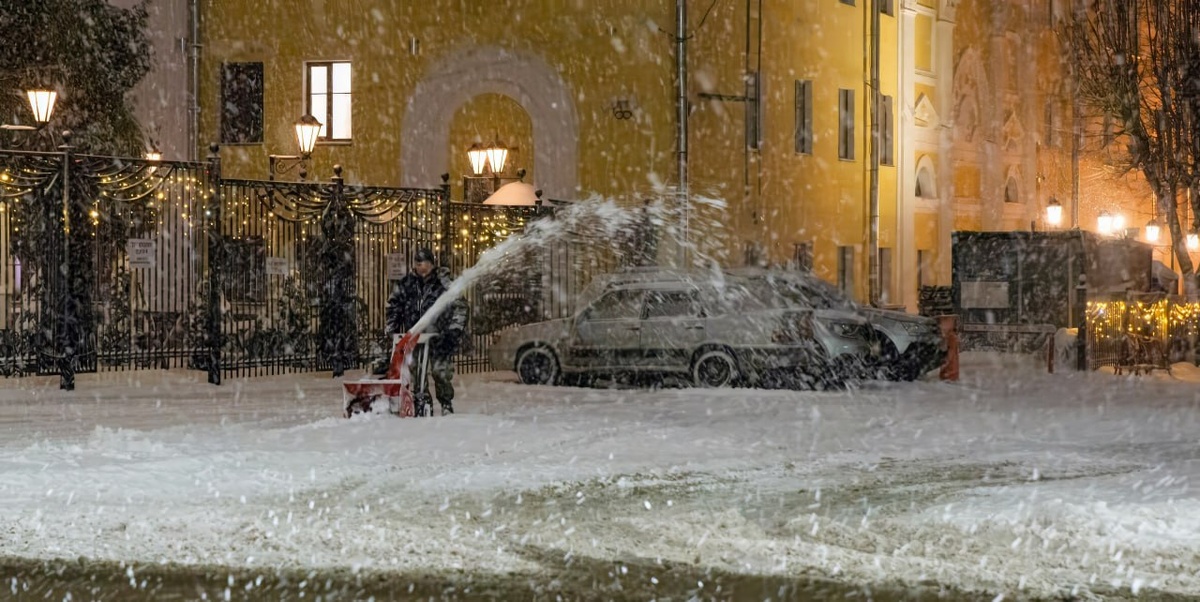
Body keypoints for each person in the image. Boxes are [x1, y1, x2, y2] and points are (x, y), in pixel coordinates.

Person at [385, 247, 468, 416]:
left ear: (432, 264)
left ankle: (445, 402)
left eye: (425, 264)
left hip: (440, 336)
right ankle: (422, 400)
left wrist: (454, 331)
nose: (421, 268)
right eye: (418, 264)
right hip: (415, 337)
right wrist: (392, 327)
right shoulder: (407, 283)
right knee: (416, 370)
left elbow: (460, 307)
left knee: (440, 371)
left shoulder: (443, 283)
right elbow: (394, 306)